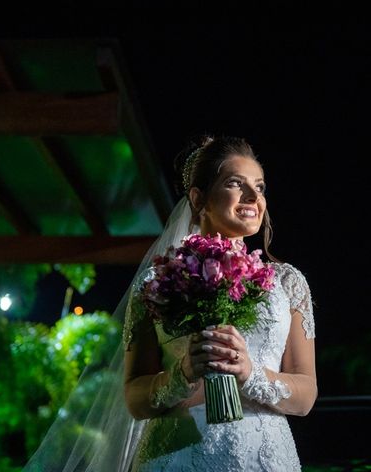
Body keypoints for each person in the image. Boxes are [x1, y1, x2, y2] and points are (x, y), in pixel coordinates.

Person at [22, 134, 316, 472]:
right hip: (175, 457)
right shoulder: (157, 283)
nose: (253, 196)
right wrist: (182, 374)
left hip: (262, 458)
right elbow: (134, 397)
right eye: (236, 183)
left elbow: (305, 395)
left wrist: (250, 374)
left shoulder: (287, 283)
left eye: (260, 187)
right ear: (198, 198)